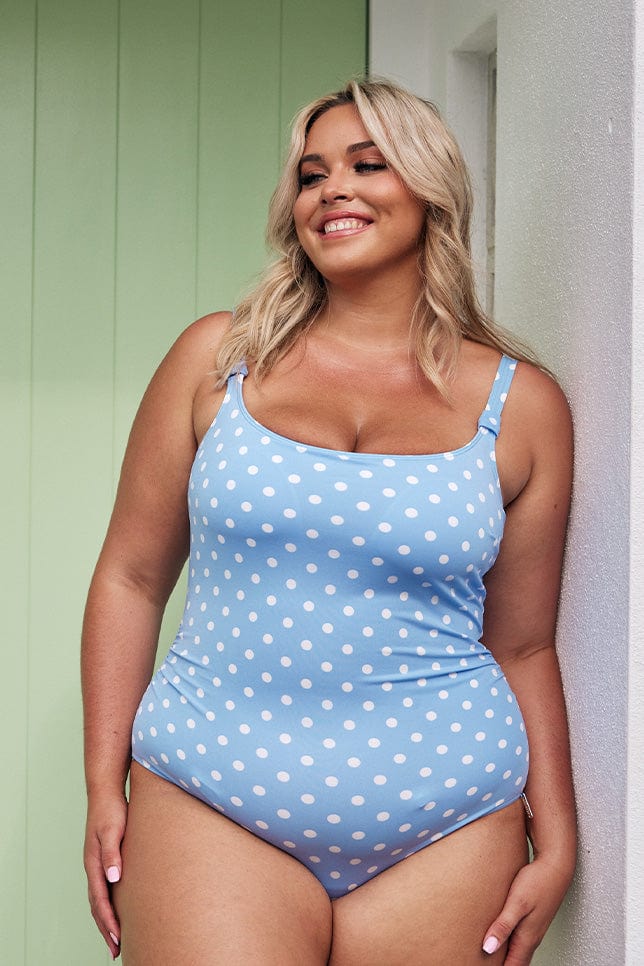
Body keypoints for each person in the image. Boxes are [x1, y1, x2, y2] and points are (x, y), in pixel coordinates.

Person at [82, 78, 576, 965]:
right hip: (212, 797)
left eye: (366, 164)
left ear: (430, 191)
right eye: (311, 175)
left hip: (451, 825)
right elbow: (131, 577)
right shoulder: (216, 362)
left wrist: (563, 835)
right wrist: (101, 785)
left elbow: (526, 646)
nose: (332, 190)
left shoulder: (523, 405)